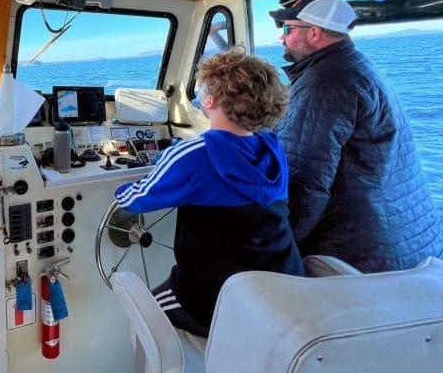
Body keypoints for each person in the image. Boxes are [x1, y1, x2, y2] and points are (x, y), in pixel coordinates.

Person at [115, 49, 304, 336]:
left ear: (210, 100)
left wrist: (121, 187)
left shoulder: (194, 154)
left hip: (215, 301)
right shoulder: (272, 150)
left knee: (143, 317)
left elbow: (135, 200)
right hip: (284, 289)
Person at [270, 0, 443, 272]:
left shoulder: (326, 81)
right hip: (407, 240)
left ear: (314, 33)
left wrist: (277, 247)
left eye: (287, 29)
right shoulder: (355, 66)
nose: (282, 38)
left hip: (364, 253)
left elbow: (305, 179)